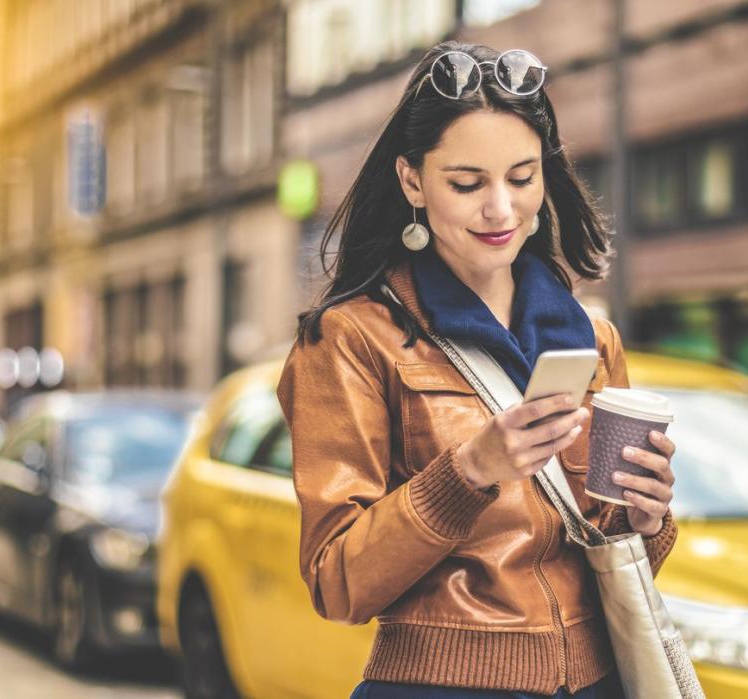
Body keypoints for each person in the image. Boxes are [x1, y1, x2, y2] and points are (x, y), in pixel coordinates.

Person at [277, 42, 679, 698]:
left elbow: (607, 550)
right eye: (467, 184)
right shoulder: (349, 338)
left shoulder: (591, 338)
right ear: (412, 181)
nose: (500, 209)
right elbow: (335, 579)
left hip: (598, 680)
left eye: (522, 178)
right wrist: (470, 471)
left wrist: (648, 516)